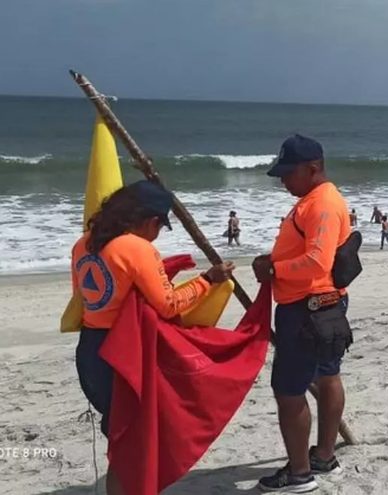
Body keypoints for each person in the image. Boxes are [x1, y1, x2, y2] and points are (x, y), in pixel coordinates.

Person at [70, 180, 235, 495]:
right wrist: (207, 280)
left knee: (120, 436)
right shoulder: (137, 247)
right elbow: (169, 304)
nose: (158, 234)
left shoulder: (83, 244)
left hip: (90, 350)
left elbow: (83, 297)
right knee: (131, 442)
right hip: (123, 354)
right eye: (160, 227)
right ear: (149, 220)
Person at [252, 135, 353, 493]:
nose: (283, 181)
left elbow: (317, 261)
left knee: (289, 390)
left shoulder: (322, 203)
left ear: (313, 169)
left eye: (288, 173)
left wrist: (274, 269)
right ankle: (323, 457)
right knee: (328, 377)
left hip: (309, 309)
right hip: (323, 305)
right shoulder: (313, 200)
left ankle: (299, 474)